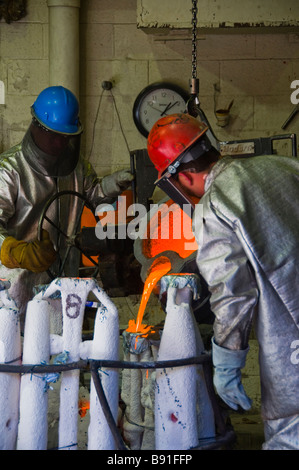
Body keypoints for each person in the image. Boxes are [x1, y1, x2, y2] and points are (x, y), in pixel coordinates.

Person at [147, 112, 299, 450]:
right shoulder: (282, 165)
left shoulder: (215, 205)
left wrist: (227, 362)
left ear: (181, 178)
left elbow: (233, 295)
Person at [0, 86, 133, 323]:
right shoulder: (10, 171)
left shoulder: (76, 167)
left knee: (63, 348)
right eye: (53, 135)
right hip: (15, 291)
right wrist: (14, 251)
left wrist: (114, 183)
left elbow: (93, 195)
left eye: (65, 137)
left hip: (64, 286)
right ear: (36, 126)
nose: (59, 143)